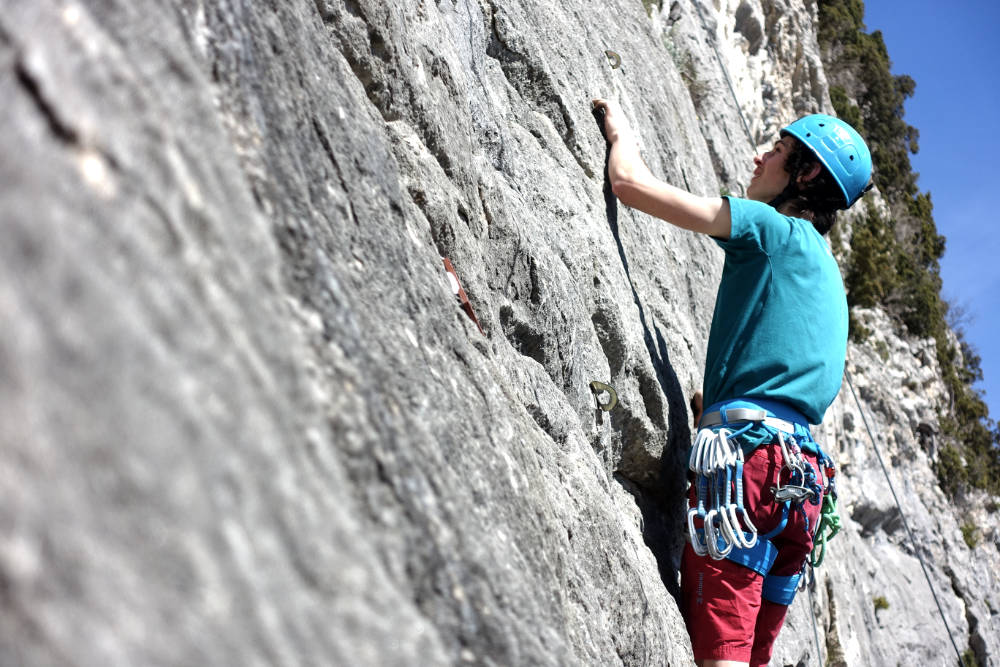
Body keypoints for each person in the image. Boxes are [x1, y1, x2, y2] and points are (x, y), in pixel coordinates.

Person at [592, 99, 872, 666]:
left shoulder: (770, 228)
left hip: (747, 472)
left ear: (808, 172)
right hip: (803, 489)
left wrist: (622, 131)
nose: (759, 156)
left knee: (721, 657)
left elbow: (629, 184)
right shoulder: (829, 278)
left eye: (777, 151)